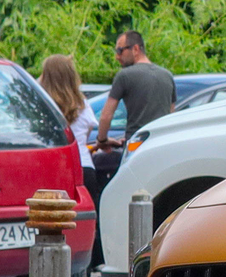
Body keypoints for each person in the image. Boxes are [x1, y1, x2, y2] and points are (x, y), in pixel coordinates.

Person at [94, 29, 176, 158]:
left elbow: (106, 115)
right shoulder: (167, 75)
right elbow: (171, 113)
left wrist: (102, 140)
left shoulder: (124, 76)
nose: (117, 56)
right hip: (162, 145)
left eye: (120, 51)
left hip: (137, 146)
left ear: (135, 49)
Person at [38, 54, 100, 195]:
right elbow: (87, 133)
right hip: (83, 167)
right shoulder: (83, 105)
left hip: (53, 169)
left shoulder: (42, 107)